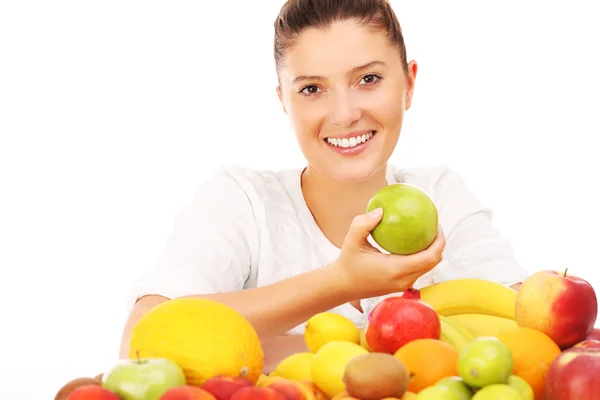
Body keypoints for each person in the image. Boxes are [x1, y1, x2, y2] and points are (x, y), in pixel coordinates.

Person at [118, 0, 529, 370]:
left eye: (368, 79)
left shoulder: (441, 196)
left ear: (409, 83)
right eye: (312, 89)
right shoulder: (242, 201)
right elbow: (143, 340)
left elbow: (527, 342)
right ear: (284, 101)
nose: (345, 113)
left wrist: (269, 345)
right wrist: (341, 282)